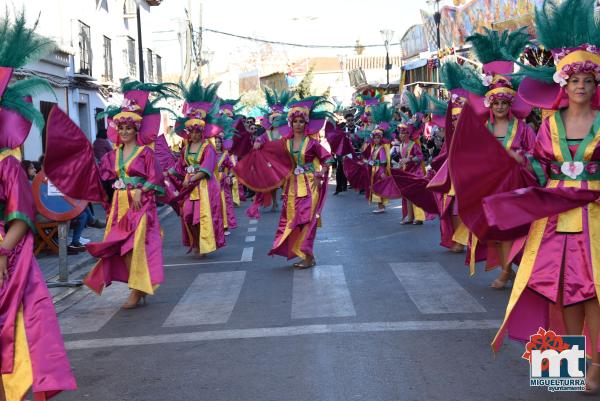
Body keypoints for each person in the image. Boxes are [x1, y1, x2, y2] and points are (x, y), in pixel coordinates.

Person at [484, 0, 600, 393]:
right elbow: (539, 169)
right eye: (574, 80)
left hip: (595, 215)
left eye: (588, 80)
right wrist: (521, 162)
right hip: (554, 215)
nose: (581, 86)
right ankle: (570, 364)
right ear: (563, 86)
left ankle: (596, 366)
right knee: (561, 289)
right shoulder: (548, 124)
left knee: (594, 290)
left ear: (595, 86)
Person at [0, 11, 76, 398]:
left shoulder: (9, 166)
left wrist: (1, 254)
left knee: (12, 328)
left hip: (7, 258)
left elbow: (20, 217)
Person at [456, 27, 536, 288]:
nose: (500, 107)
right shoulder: (485, 129)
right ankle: (506, 269)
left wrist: (519, 156)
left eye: (504, 103)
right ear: (490, 104)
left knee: (519, 230)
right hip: (492, 187)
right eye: (496, 103)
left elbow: (536, 154)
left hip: (516, 187)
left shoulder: (523, 128)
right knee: (497, 233)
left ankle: (515, 270)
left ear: (510, 104)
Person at [236, 96, 335, 268]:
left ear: (306, 124)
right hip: (291, 186)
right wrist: (259, 141)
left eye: (301, 121)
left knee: (307, 220)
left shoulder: (312, 143)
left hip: (310, 185)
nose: (298, 124)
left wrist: (322, 172)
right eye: (295, 121)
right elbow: (269, 148)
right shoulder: (284, 143)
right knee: (294, 219)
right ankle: (302, 252)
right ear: (290, 123)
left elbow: (328, 158)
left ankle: (308, 256)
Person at [169, 78, 226, 257]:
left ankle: (203, 244)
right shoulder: (185, 148)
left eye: (197, 131)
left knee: (201, 217)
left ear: (202, 132)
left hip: (203, 188)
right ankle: (194, 242)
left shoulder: (207, 148)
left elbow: (206, 168)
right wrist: (167, 173)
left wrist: (191, 179)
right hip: (189, 188)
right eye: (191, 131)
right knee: (187, 216)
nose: (194, 134)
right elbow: (179, 166)